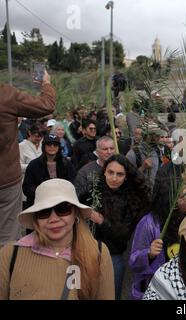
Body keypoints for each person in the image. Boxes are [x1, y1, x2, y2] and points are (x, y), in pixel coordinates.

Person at [0, 179, 114, 299]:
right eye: (44, 211)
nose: (53, 219)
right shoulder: (10, 254)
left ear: (75, 212)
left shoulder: (98, 253)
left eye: (62, 209)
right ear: (36, 218)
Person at [0, 71, 55, 247]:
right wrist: (46, 83)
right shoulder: (6, 95)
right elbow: (46, 105)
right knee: (7, 238)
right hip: (6, 181)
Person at [89, 154, 151, 300]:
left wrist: (102, 222)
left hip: (113, 256)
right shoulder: (95, 189)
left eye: (120, 174)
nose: (114, 178)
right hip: (89, 252)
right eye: (110, 172)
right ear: (104, 171)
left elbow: (124, 234)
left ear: (126, 177)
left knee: (110, 295)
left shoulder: (130, 199)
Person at [128, 186, 186, 300]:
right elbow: (134, 262)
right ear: (170, 199)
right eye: (184, 196)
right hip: (154, 291)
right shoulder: (149, 223)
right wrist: (149, 254)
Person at [23, 134, 76, 208]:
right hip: (40, 204)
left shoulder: (66, 163)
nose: (52, 147)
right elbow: (27, 187)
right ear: (44, 146)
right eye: (49, 144)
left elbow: (73, 182)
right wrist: (43, 193)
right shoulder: (34, 164)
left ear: (59, 147)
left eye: (55, 145)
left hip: (62, 203)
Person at [74, 136, 115, 203]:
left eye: (112, 148)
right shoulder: (85, 172)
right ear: (97, 152)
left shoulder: (121, 168)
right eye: (105, 149)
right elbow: (77, 195)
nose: (109, 152)